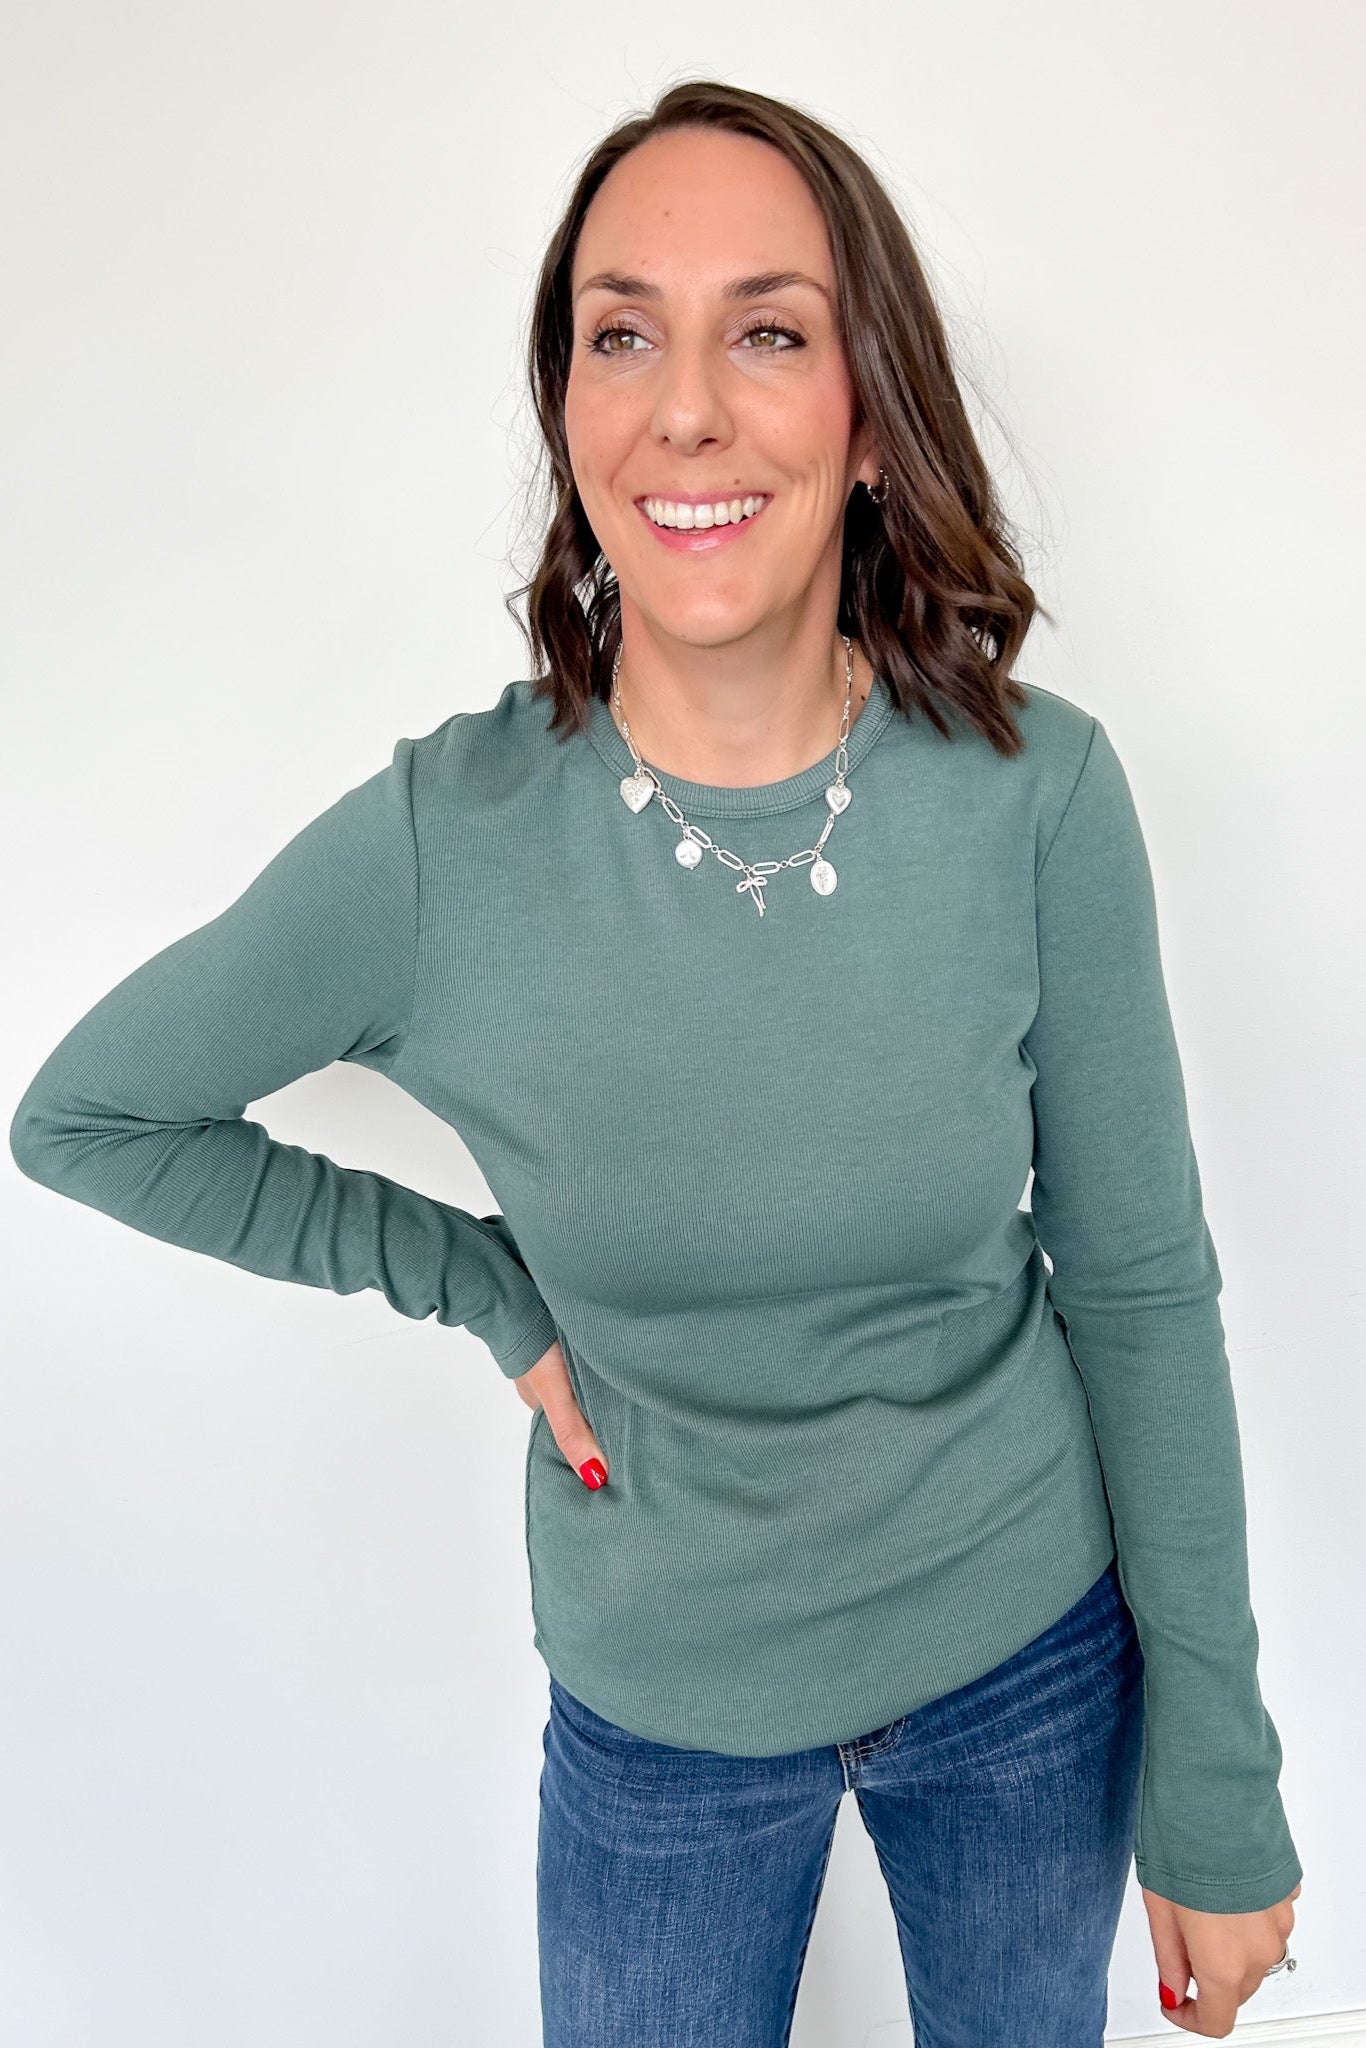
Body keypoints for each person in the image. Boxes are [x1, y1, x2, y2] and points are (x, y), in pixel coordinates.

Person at [9, 76, 1301, 2047]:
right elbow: (88, 1115)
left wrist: (1216, 1779)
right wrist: (478, 1284)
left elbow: (1135, 1287)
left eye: (766, 331)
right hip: (662, 1714)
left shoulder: (1034, 796)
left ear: (866, 417)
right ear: (570, 413)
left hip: (1028, 1660)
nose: (684, 404)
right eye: (622, 333)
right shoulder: (444, 844)